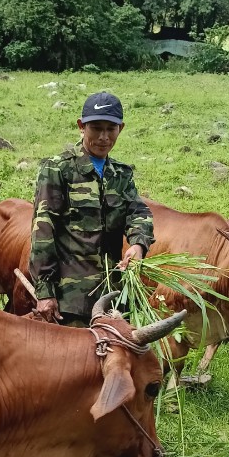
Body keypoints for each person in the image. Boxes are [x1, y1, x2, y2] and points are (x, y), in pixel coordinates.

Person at [28, 91, 154, 326]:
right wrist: (45, 292)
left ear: (121, 128)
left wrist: (138, 244)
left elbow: (138, 213)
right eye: (96, 128)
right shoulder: (58, 170)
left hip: (113, 296)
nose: (104, 137)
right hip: (70, 300)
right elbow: (43, 231)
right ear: (81, 126)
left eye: (111, 129)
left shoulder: (121, 174)